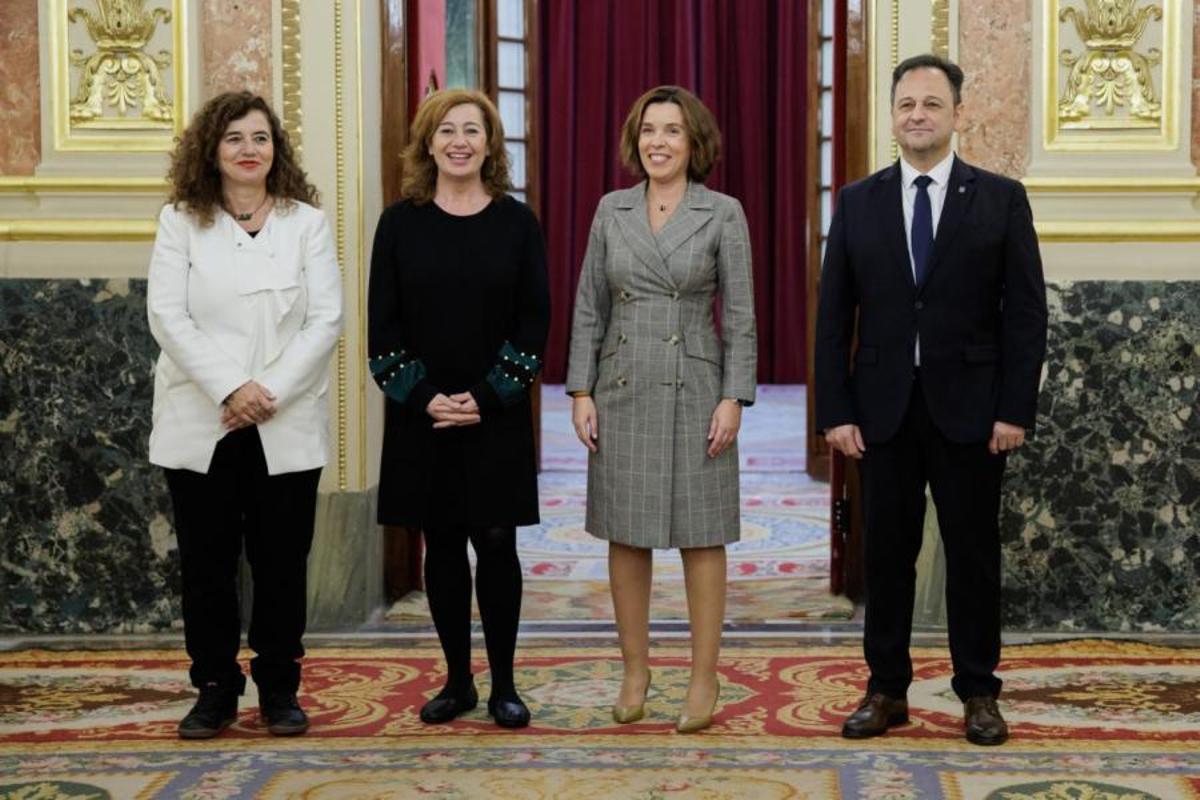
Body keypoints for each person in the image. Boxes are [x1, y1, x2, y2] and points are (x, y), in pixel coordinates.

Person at [815, 54, 1047, 746]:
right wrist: (837, 410)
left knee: (973, 554)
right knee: (886, 553)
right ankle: (886, 689)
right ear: (893, 115)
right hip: (882, 409)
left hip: (975, 413)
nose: (917, 114)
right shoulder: (858, 201)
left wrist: (1014, 409)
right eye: (906, 104)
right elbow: (833, 317)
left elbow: (1026, 315)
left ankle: (979, 692)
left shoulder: (1000, 198)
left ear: (956, 114)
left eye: (931, 104)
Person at [147, 91, 343, 739]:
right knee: (206, 566)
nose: (248, 149)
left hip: (282, 422)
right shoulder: (181, 221)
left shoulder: (306, 223)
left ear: (276, 149)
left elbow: (325, 320)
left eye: (260, 138)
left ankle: (280, 687)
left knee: (282, 564)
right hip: (203, 421)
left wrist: (267, 392)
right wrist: (232, 388)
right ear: (212, 149)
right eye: (234, 138)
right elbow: (167, 316)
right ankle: (215, 687)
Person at [566, 85, 756, 734]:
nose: (659, 142)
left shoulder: (722, 212)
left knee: (702, 533)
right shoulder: (610, 210)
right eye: (649, 130)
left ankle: (703, 677)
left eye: (673, 131)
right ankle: (635, 670)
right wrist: (581, 390)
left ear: (693, 142)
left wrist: (734, 395)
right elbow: (590, 303)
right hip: (621, 385)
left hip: (699, 386)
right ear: (634, 139)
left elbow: (740, 315)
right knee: (628, 530)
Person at [368, 89, 550, 729]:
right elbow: (381, 335)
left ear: (490, 144)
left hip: (493, 416)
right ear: (428, 142)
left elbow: (534, 326)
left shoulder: (517, 223)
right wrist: (426, 398)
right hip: (424, 416)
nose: (460, 141)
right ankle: (457, 681)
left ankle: (504, 684)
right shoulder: (399, 224)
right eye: (446, 130)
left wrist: (490, 395)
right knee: (440, 544)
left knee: (496, 543)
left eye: (473, 130)